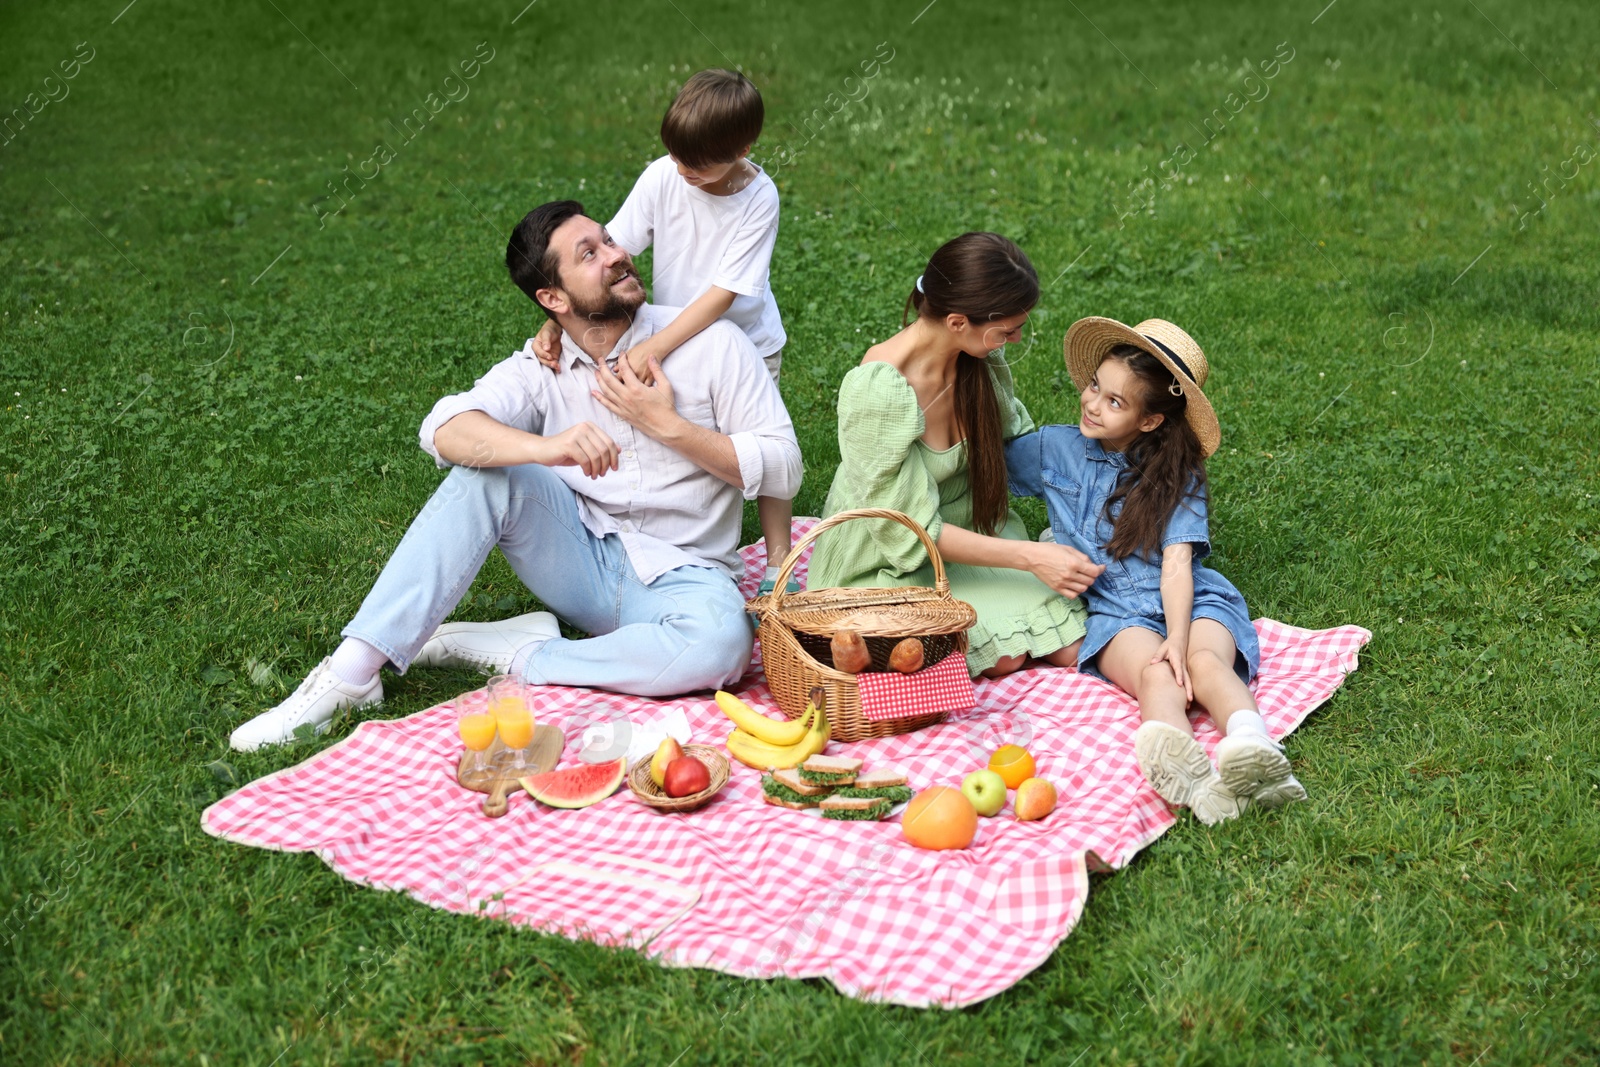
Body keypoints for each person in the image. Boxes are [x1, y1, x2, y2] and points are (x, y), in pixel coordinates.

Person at [229, 200, 802, 752]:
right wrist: (548, 447)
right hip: (582, 559)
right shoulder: (541, 368)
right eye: (589, 254)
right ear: (552, 298)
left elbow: (786, 463)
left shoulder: (713, 344)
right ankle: (352, 673)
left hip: (688, 576)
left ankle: (520, 655)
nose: (615, 254)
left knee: (722, 647)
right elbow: (443, 428)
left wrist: (669, 427)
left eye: (607, 240)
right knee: (487, 475)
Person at [1004, 316, 1306, 823]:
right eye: (1096, 386)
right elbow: (981, 464)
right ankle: (1193, 778)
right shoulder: (1053, 448)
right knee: (1155, 675)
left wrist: (1180, 638)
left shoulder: (1177, 474)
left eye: (1115, 402)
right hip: (1117, 613)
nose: (1094, 404)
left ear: (1150, 420)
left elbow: (1177, 565)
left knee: (1203, 665)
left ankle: (1255, 751)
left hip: (1193, 599)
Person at [530, 69, 798, 593]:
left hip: (743, 343)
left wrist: (654, 344)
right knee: (682, 438)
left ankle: (778, 565)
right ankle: (678, 541)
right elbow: (616, 248)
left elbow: (724, 295)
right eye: (676, 157)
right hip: (672, 336)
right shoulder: (664, 176)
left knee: (761, 449)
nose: (683, 171)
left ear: (743, 148)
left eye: (696, 165)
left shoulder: (759, 199)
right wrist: (556, 317)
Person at [806, 233, 1104, 678]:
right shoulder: (879, 390)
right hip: (890, 560)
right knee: (1007, 656)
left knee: (1072, 642)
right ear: (958, 321)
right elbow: (908, 530)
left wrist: (1107, 466)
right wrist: (1030, 557)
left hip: (970, 536)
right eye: (1008, 329)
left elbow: (1017, 448)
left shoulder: (977, 360)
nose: (1017, 338)